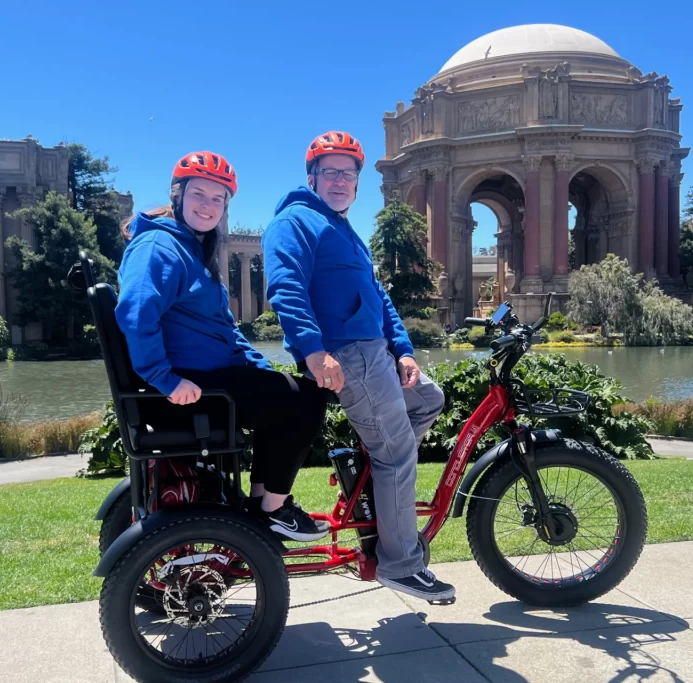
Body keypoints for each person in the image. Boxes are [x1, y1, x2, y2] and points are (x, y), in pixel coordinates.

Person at [262, 132, 455, 602]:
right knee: (397, 454)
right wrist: (313, 351)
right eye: (330, 171)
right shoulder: (295, 221)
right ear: (312, 177)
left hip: (376, 352)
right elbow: (285, 288)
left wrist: (404, 349)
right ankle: (401, 564)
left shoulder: (346, 230)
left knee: (429, 399)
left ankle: (375, 479)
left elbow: (379, 297)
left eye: (349, 174)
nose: (341, 180)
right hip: (346, 354)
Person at [115, 151, 330, 542]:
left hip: (206, 381)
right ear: (178, 195)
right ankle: (274, 508)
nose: (208, 206)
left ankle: (264, 503)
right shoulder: (159, 248)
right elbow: (135, 315)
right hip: (184, 392)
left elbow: (224, 332)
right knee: (309, 399)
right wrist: (165, 379)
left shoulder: (191, 250)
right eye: (199, 194)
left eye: (219, 199)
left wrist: (259, 367)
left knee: (289, 393)